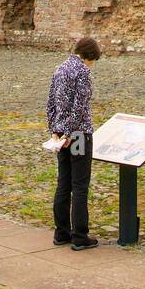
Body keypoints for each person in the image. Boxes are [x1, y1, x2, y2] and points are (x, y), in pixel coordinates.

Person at [47, 37, 102, 250]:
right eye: (94, 59)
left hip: (60, 135)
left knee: (63, 183)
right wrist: (70, 133)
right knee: (79, 186)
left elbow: (51, 103)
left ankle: (61, 232)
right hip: (78, 135)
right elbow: (79, 108)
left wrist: (56, 131)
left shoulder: (60, 69)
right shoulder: (83, 72)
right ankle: (80, 235)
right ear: (89, 56)